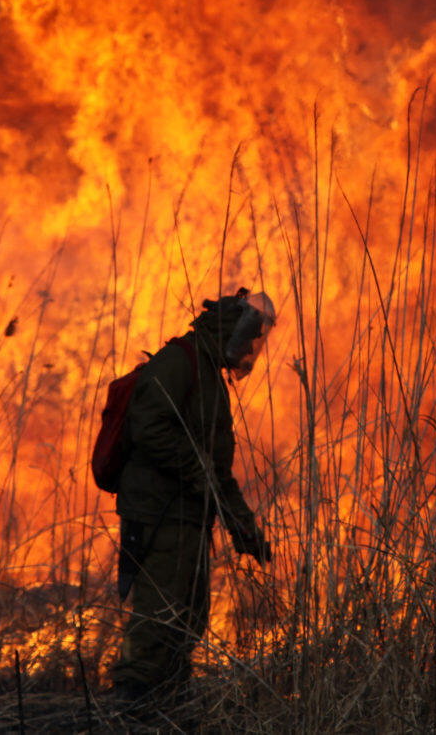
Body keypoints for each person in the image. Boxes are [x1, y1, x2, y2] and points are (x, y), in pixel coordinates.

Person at [111, 288, 276, 709]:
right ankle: (132, 701)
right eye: (247, 339)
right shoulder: (179, 363)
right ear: (226, 330)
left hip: (187, 514)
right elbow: (149, 430)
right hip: (159, 511)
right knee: (159, 606)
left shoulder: (208, 376)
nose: (248, 350)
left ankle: (166, 698)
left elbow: (216, 471)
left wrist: (244, 528)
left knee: (189, 610)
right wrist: (195, 466)